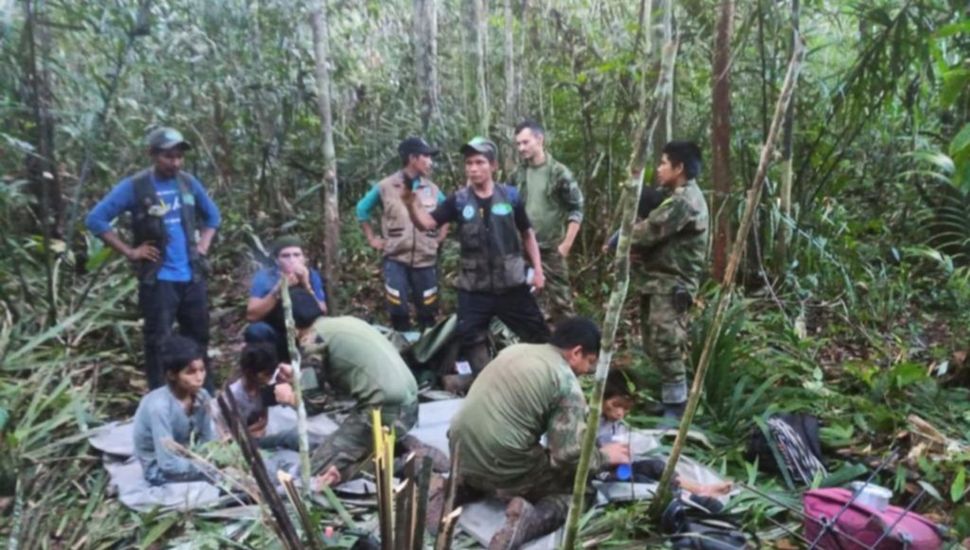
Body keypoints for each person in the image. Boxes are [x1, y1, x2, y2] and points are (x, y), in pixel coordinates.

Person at [446, 318, 631, 549]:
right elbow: (566, 456)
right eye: (589, 362)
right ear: (576, 352)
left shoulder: (516, 350)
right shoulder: (565, 383)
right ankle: (528, 521)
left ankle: (458, 488)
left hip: (459, 450)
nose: (587, 371)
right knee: (581, 492)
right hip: (502, 462)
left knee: (515, 452)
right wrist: (604, 457)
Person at [403, 136, 550, 382]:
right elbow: (427, 223)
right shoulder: (458, 200)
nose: (473, 168)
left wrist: (538, 270)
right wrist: (411, 205)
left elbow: (527, 233)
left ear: (493, 166)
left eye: (479, 162)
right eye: (469, 163)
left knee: (538, 334)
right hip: (474, 287)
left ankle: (545, 380)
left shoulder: (510, 196)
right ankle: (487, 384)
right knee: (470, 335)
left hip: (511, 284)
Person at [86, 127, 221, 390]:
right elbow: (96, 219)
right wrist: (130, 251)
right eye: (168, 156)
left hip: (192, 275)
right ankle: (162, 398)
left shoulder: (188, 183)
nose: (175, 162)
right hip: (159, 279)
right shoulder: (135, 187)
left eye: (179, 156)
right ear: (152, 154)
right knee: (158, 341)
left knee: (199, 338)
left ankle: (206, 397)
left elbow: (213, 217)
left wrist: (203, 245)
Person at [273, 293, 420, 488]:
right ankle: (389, 448)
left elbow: (313, 405)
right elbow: (343, 374)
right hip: (409, 407)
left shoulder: (312, 339)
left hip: (384, 412)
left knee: (313, 471)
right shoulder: (343, 323)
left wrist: (289, 397)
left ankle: (397, 465)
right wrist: (298, 376)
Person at [630, 141, 709, 420]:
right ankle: (670, 400)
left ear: (680, 168)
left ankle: (677, 409)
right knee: (653, 341)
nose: (659, 168)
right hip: (658, 281)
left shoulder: (684, 202)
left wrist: (623, 238)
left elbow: (648, 231)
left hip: (673, 283)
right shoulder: (673, 196)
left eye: (664, 163)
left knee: (667, 342)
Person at [356, 137, 448, 331]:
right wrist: (372, 238)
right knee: (398, 309)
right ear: (413, 158)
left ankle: (428, 352)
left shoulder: (432, 189)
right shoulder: (386, 186)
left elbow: (447, 212)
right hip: (396, 258)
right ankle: (401, 350)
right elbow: (362, 210)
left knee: (428, 309)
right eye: (427, 157)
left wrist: (440, 237)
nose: (430, 162)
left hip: (425, 260)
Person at [511, 119, 584, 324]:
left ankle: (570, 347)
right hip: (523, 248)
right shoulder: (518, 173)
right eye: (518, 144)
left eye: (525, 142)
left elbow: (577, 208)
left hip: (552, 249)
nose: (521, 148)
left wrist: (566, 245)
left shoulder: (559, 173)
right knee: (526, 301)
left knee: (561, 302)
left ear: (539, 139)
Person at [132, 334, 216, 485]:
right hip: (159, 468)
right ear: (171, 375)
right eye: (190, 372)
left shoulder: (202, 396)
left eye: (202, 370)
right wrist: (208, 468)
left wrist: (213, 458)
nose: (199, 377)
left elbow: (208, 439)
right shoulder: (159, 407)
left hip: (192, 457)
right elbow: (167, 464)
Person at [245, 235, 327, 359]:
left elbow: (323, 311)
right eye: (285, 256)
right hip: (277, 332)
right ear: (277, 260)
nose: (292, 260)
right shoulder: (265, 277)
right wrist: (278, 290)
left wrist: (306, 285)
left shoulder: (311, 275)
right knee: (256, 331)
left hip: (306, 334)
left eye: (296, 255)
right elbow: (252, 315)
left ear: (304, 258)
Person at [216, 342, 298, 450]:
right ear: (249, 372)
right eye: (266, 374)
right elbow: (230, 434)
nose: (270, 378)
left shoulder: (266, 385)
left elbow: (264, 420)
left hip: (262, 431)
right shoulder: (233, 396)